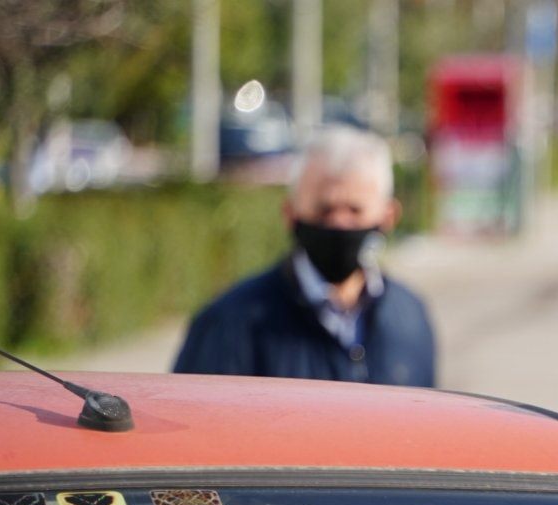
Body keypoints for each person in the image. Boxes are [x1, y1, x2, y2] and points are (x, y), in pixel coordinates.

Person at [172, 124, 436, 386]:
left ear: (388, 216)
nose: (339, 224)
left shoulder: (410, 317)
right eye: (324, 210)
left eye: (354, 211)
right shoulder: (229, 324)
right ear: (290, 214)